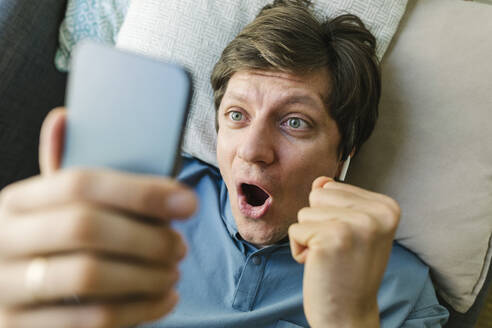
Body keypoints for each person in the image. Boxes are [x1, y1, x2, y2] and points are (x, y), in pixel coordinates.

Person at [0, 0, 449, 327]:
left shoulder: (399, 291)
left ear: (344, 152)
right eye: (237, 115)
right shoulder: (144, 195)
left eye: (294, 122)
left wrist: (348, 320)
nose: (253, 149)